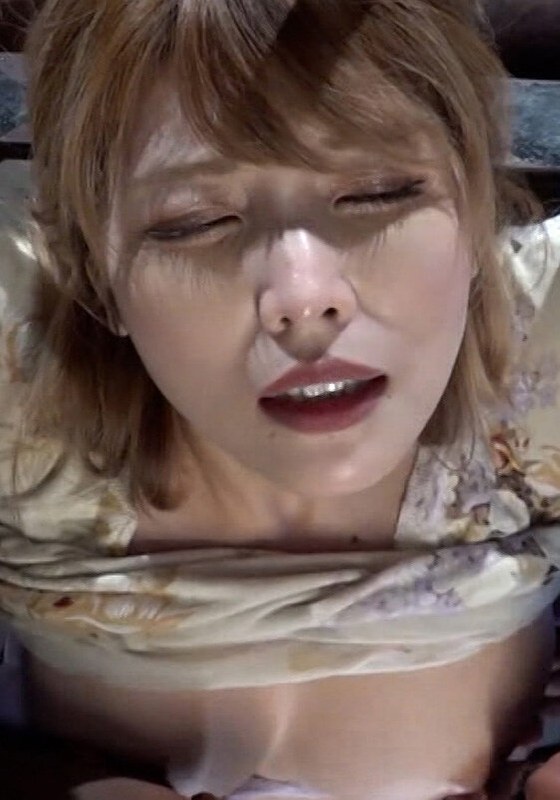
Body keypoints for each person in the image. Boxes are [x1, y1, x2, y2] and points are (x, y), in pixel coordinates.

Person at [1, 1, 560, 798]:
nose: (302, 297)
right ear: (96, 276)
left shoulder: (543, 354)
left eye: (376, 193)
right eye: (195, 222)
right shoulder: (21, 382)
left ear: (475, 212)